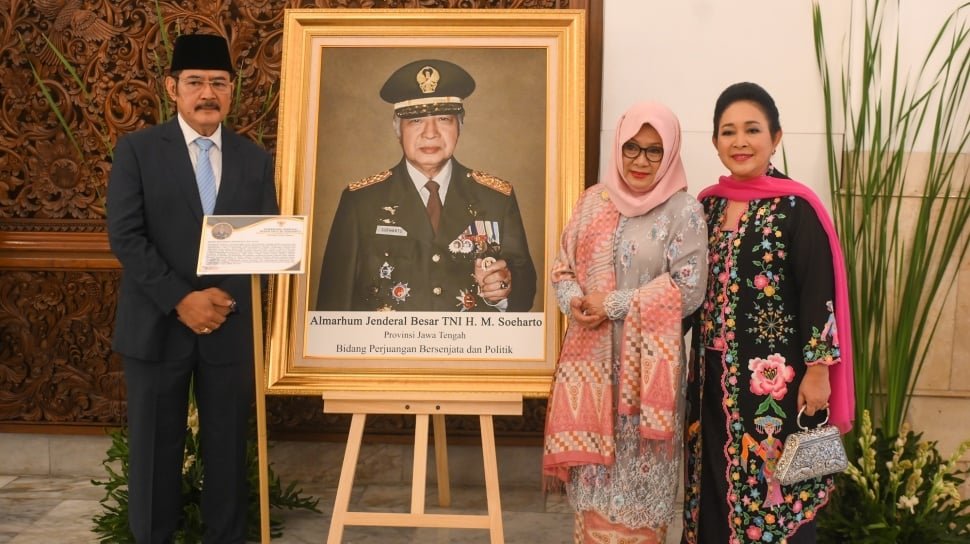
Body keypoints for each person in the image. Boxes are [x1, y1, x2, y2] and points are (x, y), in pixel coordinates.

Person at [106, 34, 279, 543]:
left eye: (219, 83)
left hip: (228, 324)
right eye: (196, 82)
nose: (208, 93)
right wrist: (181, 300)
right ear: (172, 88)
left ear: (232, 90)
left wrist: (221, 301)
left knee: (227, 448)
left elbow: (264, 237)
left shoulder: (253, 158)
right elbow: (126, 236)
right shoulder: (138, 151)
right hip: (157, 324)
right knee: (154, 448)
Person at [682, 82, 854, 543]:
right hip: (710, 381)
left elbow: (818, 291)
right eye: (728, 132)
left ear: (775, 137)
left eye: (752, 130)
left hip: (775, 385)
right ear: (715, 142)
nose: (740, 141)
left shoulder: (797, 207)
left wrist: (818, 371)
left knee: (775, 494)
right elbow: (686, 287)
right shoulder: (706, 206)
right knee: (712, 489)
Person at [543, 102, 708, 542]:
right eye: (631, 147)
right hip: (592, 375)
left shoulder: (683, 211)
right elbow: (562, 268)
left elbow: (689, 290)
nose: (640, 160)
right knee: (594, 500)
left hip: (646, 378)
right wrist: (575, 301)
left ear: (670, 154)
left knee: (638, 503)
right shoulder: (592, 202)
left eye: (654, 151)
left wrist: (613, 304)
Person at [316, 58, 537, 312]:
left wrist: (502, 292)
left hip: (470, 338)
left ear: (460, 125)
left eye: (443, 119)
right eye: (416, 120)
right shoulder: (360, 202)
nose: (430, 133)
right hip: (386, 339)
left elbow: (524, 293)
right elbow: (333, 305)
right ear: (397, 128)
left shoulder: (496, 199)